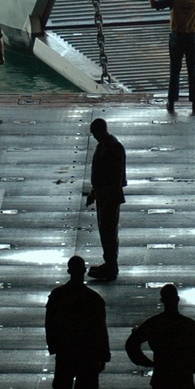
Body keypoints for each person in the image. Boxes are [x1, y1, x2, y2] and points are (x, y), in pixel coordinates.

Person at [42, 255, 110, 389]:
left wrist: (54, 347)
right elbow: (100, 330)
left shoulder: (58, 296)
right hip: (87, 355)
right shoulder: (93, 299)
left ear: (69, 271)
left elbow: (50, 324)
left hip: (66, 353)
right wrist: (103, 355)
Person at [85, 118, 126, 281]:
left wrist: (104, 193)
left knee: (109, 232)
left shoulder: (113, 148)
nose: (94, 137)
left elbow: (115, 177)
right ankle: (109, 262)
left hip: (109, 196)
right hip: (104, 195)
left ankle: (111, 265)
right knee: (105, 231)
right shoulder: (104, 146)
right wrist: (95, 192)